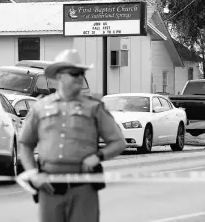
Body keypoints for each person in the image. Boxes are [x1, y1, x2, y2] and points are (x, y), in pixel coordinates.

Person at [17, 49, 127, 222]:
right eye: (74, 73)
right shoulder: (40, 107)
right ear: (60, 76)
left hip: (83, 188)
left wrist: (98, 156)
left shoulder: (94, 107)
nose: (79, 77)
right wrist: (32, 173)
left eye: (81, 73)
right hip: (50, 188)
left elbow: (119, 142)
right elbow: (25, 143)